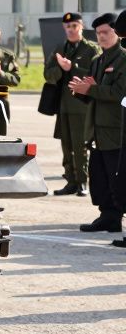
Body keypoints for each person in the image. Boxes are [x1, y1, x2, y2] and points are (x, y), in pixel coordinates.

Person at [70, 13, 126, 233]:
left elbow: (120, 92)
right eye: (99, 33)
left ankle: (117, 215)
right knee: (100, 176)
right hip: (96, 128)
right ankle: (108, 216)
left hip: (115, 128)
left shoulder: (123, 59)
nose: (102, 37)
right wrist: (81, 91)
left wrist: (91, 89)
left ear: (116, 33)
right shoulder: (97, 61)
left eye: (106, 32)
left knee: (117, 176)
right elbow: (93, 95)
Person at [44, 12, 99, 196]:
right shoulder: (60, 48)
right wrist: (60, 68)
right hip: (63, 105)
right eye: (68, 27)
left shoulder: (91, 49)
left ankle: (83, 182)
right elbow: (48, 74)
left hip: (81, 106)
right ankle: (70, 181)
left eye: (74, 26)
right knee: (66, 145)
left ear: (81, 27)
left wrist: (72, 68)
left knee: (80, 146)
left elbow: (95, 75)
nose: (71, 29)